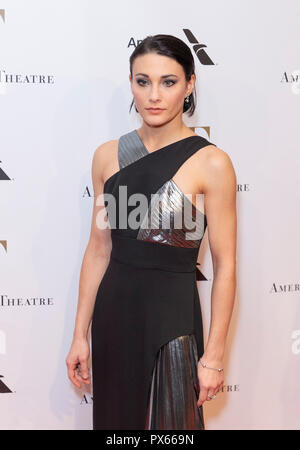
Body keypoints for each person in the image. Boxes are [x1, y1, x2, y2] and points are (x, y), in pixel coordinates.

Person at [66, 34, 237, 430]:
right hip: (113, 318)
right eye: (142, 81)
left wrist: (213, 355)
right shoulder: (107, 156)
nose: (154, 95)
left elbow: (225, 266)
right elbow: (98, 250)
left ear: (190, 84)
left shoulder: (212, 163)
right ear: (131, 84)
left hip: (172, 322)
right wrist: (79, 334)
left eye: (168, 81)